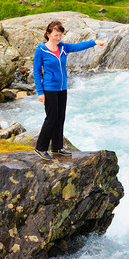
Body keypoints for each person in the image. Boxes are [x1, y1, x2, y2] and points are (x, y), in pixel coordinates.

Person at [33, 20, 106, 160]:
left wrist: (94, 42)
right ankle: (40, 148)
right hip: (49, 89)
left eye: (60, 35)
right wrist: (40, 92)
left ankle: (57, 147)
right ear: (48, 34)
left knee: (60, 117)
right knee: (51, 117)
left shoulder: (63, 47)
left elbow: (78, 46)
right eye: (55, 35)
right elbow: (37, 71)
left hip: (62, 88)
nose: (58, 38)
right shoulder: (41, 50)